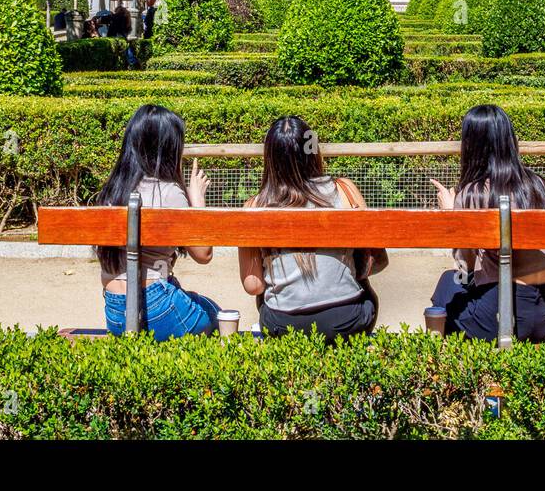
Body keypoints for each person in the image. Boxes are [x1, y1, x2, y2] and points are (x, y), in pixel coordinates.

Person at [239, 116, 387, 342]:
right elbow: (377, 261)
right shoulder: (345, 191)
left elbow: (254, 285)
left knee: (266, 294)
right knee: (361, 284)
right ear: (313, 150)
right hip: (347, 321)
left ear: (270, 157)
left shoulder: (254, 206)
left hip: (283, 326)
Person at [429, 105, 545, 344]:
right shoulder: (539, 185)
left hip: (501, 316)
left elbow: (464, 269)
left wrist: (451, 216)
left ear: (471, 144)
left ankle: (446, 359)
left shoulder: (473, 193)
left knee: (447, 286)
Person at [96, 104, 219, 340]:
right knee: (214, 313)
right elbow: (204, 255)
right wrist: (197, 200)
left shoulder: (113, 191)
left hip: (115, 311)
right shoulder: (170, 193)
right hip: (156, 305)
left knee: (186, 296)